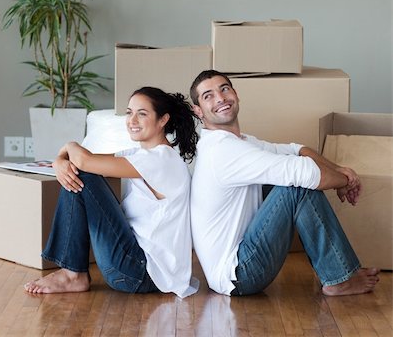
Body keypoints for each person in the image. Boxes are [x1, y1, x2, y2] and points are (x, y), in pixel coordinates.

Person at [189, 69, 380, 297]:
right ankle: (340, 278)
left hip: (238, 262)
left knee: (293, 173)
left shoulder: (238, 142)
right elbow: (305, 172)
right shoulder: (223, 150)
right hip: (239, 274)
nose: (220, 98)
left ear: (236, 94)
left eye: (224, 89)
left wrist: (338, 170)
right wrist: (345, 181)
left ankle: (338, 273)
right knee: (296, 187)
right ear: (198, 110)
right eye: (208, 96)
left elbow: (294, 149)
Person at [24, 87, 199, 298]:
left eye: (142, 114)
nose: (132, 120)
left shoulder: (161, 160)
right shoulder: (140, 154)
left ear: (163, 120)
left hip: (139, 272)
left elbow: (82, 161)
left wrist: (69, 146)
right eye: (129, 112)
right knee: (81, 171)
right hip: (135, 267)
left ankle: (73, 275)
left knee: (84, 175)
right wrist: (60, 160)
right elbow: (82, 158)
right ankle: (72, 273)